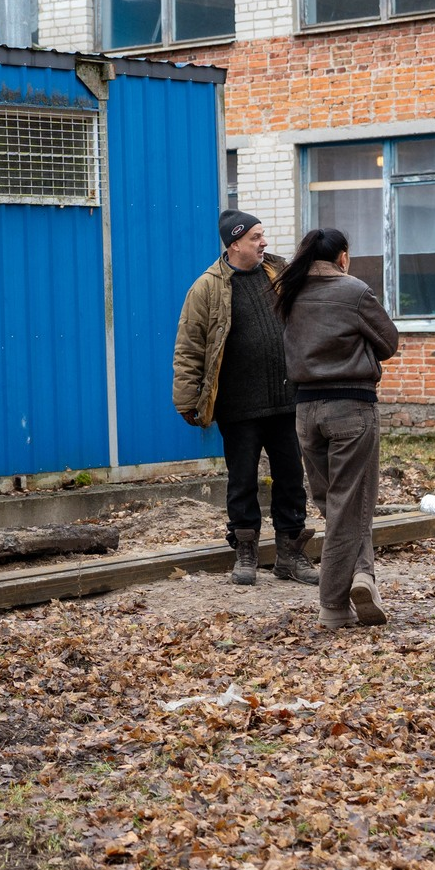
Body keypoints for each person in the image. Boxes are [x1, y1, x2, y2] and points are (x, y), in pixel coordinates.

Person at [171, 209, 316, 588]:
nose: (263, 242)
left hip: (286, 399)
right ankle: (246, 552)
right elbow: (189, 347)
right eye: (255, 237)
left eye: (262, 235)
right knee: (242, 481)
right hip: (238, 404)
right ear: (234, 244)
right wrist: (187, 399)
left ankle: (289, 555)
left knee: (290, 478)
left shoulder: (278, 274)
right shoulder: (207, 287)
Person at [276, 228, 399, 629]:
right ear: (342, 257)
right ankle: (332, 604)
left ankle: (364, 576)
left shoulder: (289, 292)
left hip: (306, 411)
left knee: (336, 504)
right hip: (351, 407)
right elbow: (389, 342)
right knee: (350, 504)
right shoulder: (355, 291)